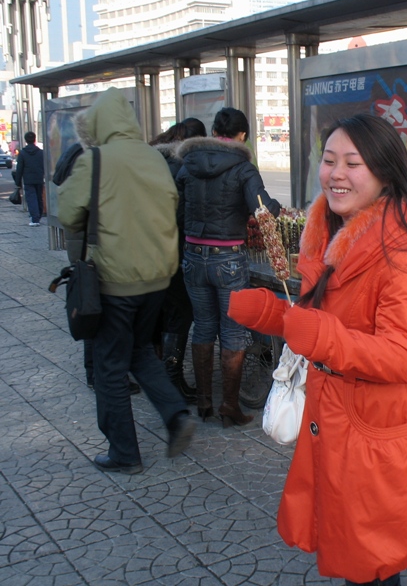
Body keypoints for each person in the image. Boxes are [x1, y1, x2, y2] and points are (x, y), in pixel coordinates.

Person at [228, 114, 407, 585]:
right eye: (329, 161)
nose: (337, 174)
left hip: (373, 437)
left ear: (385, 174)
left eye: (353, 163)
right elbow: (321, 323)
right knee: (352, 556)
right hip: (337, 427)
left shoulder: (400, 257)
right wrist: (272, 314)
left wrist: (323, 338)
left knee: (370, 565)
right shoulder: (332, 238)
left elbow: (406, 356)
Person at [58, 87, 194, 475]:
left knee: (110, 366)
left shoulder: (96, 160)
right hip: (156, 277)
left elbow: (68, 213)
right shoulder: (153, 157)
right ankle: (175, 414)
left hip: (115, 279)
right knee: (138, 351)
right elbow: (172, 205)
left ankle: (124, 453)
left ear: (99, 124)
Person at [175, 107, 281, 427]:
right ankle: (229, 406)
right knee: (233, 330)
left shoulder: (189, 163)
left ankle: (204, 403)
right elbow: (262, 209)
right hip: (228, 259)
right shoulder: (243, 166)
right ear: (242, 135)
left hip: (193, 255)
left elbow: (179, 203)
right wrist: (273, 206)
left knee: (204, 326)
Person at [150, 117, 207, 404]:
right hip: (172, 250)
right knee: (179, 314)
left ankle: (165, 376)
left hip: (150, 250)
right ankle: (172, 381)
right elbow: (179, 216)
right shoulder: (179, 167)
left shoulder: (155, 158)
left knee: (166, 314)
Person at [14, 131, 45, 226]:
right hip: (39, 178)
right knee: (39, 198)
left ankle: (35, 219)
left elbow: (19, 169)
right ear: (35, 140)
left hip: (28, 180)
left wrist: (17, 182)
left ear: (26, 140)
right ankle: (38, 215)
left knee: (31, 198)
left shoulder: (22, 153)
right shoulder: (41, 153)